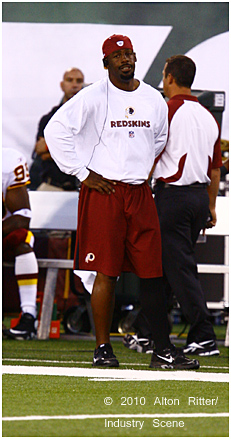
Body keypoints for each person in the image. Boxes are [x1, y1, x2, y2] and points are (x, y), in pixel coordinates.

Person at [44, 34, 199, 370]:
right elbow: (56, 130)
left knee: (152, 272)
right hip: (104, 192)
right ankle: (103, 348)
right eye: (118, 56)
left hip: (140, 193)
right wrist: (82, 173)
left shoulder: (153, 99)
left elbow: (159, 138)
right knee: (106, 272)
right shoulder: (92, 97)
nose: (125, 60)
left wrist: (139, 169)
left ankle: (161, 350)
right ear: (106, 63)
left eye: (129, 54)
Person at [153, 55, 223, 356]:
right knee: (170, 266)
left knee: (178, 268)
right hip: (197, 199)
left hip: (173, 197)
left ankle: (203, 333)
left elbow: (150, 155)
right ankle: (150, 331)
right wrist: (210, 206)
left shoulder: (167, 111)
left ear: (169, 78)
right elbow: (216, 168)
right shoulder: (208, 116)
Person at [2, 147, 38, 339]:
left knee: (23, 240)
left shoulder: (7, 162)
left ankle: (29, 316)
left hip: (3, 234)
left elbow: (23, 216)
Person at [29, 68, 85, 191]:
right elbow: (40, 151)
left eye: (79, 81)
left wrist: (53, 148)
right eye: (70, 80)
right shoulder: (49, 118)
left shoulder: (90, 117)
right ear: (62, 85)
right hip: (53, 186)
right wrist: (74, 147)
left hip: (83, 187)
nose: (75, 85)